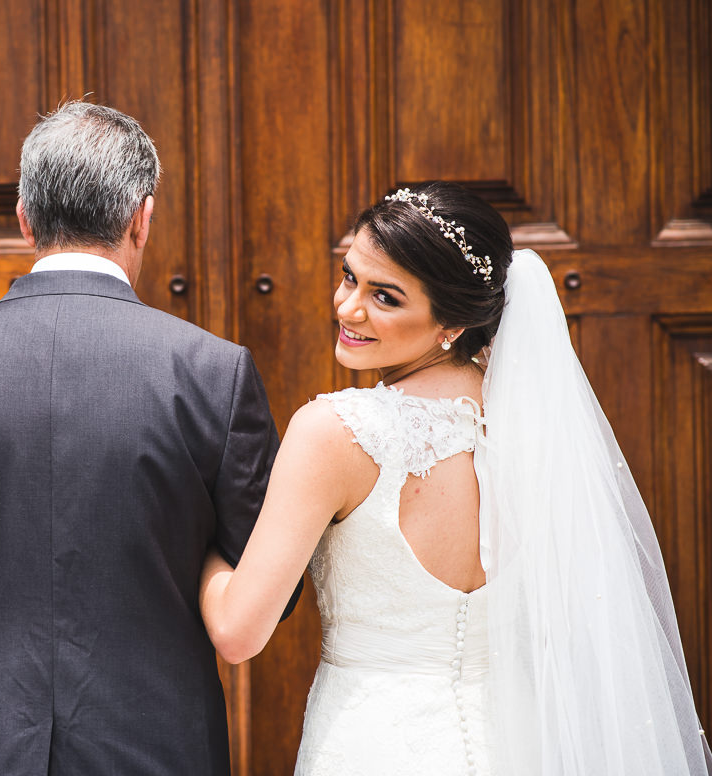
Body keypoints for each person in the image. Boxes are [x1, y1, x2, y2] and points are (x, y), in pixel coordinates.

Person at [199, 181, 712, 775]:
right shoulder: (538, 429)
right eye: (349, 277)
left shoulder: (338, 432)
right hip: (520, 748)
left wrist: (198, 534)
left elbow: (237, 633)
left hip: (374, 747)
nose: (348, 308)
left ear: (452, 322)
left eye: (385, 297)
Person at [0, 100, 297, 775]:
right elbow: (272, 587)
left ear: (24, 218)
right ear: (141, 218)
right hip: (159, 754)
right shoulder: (215, 373)